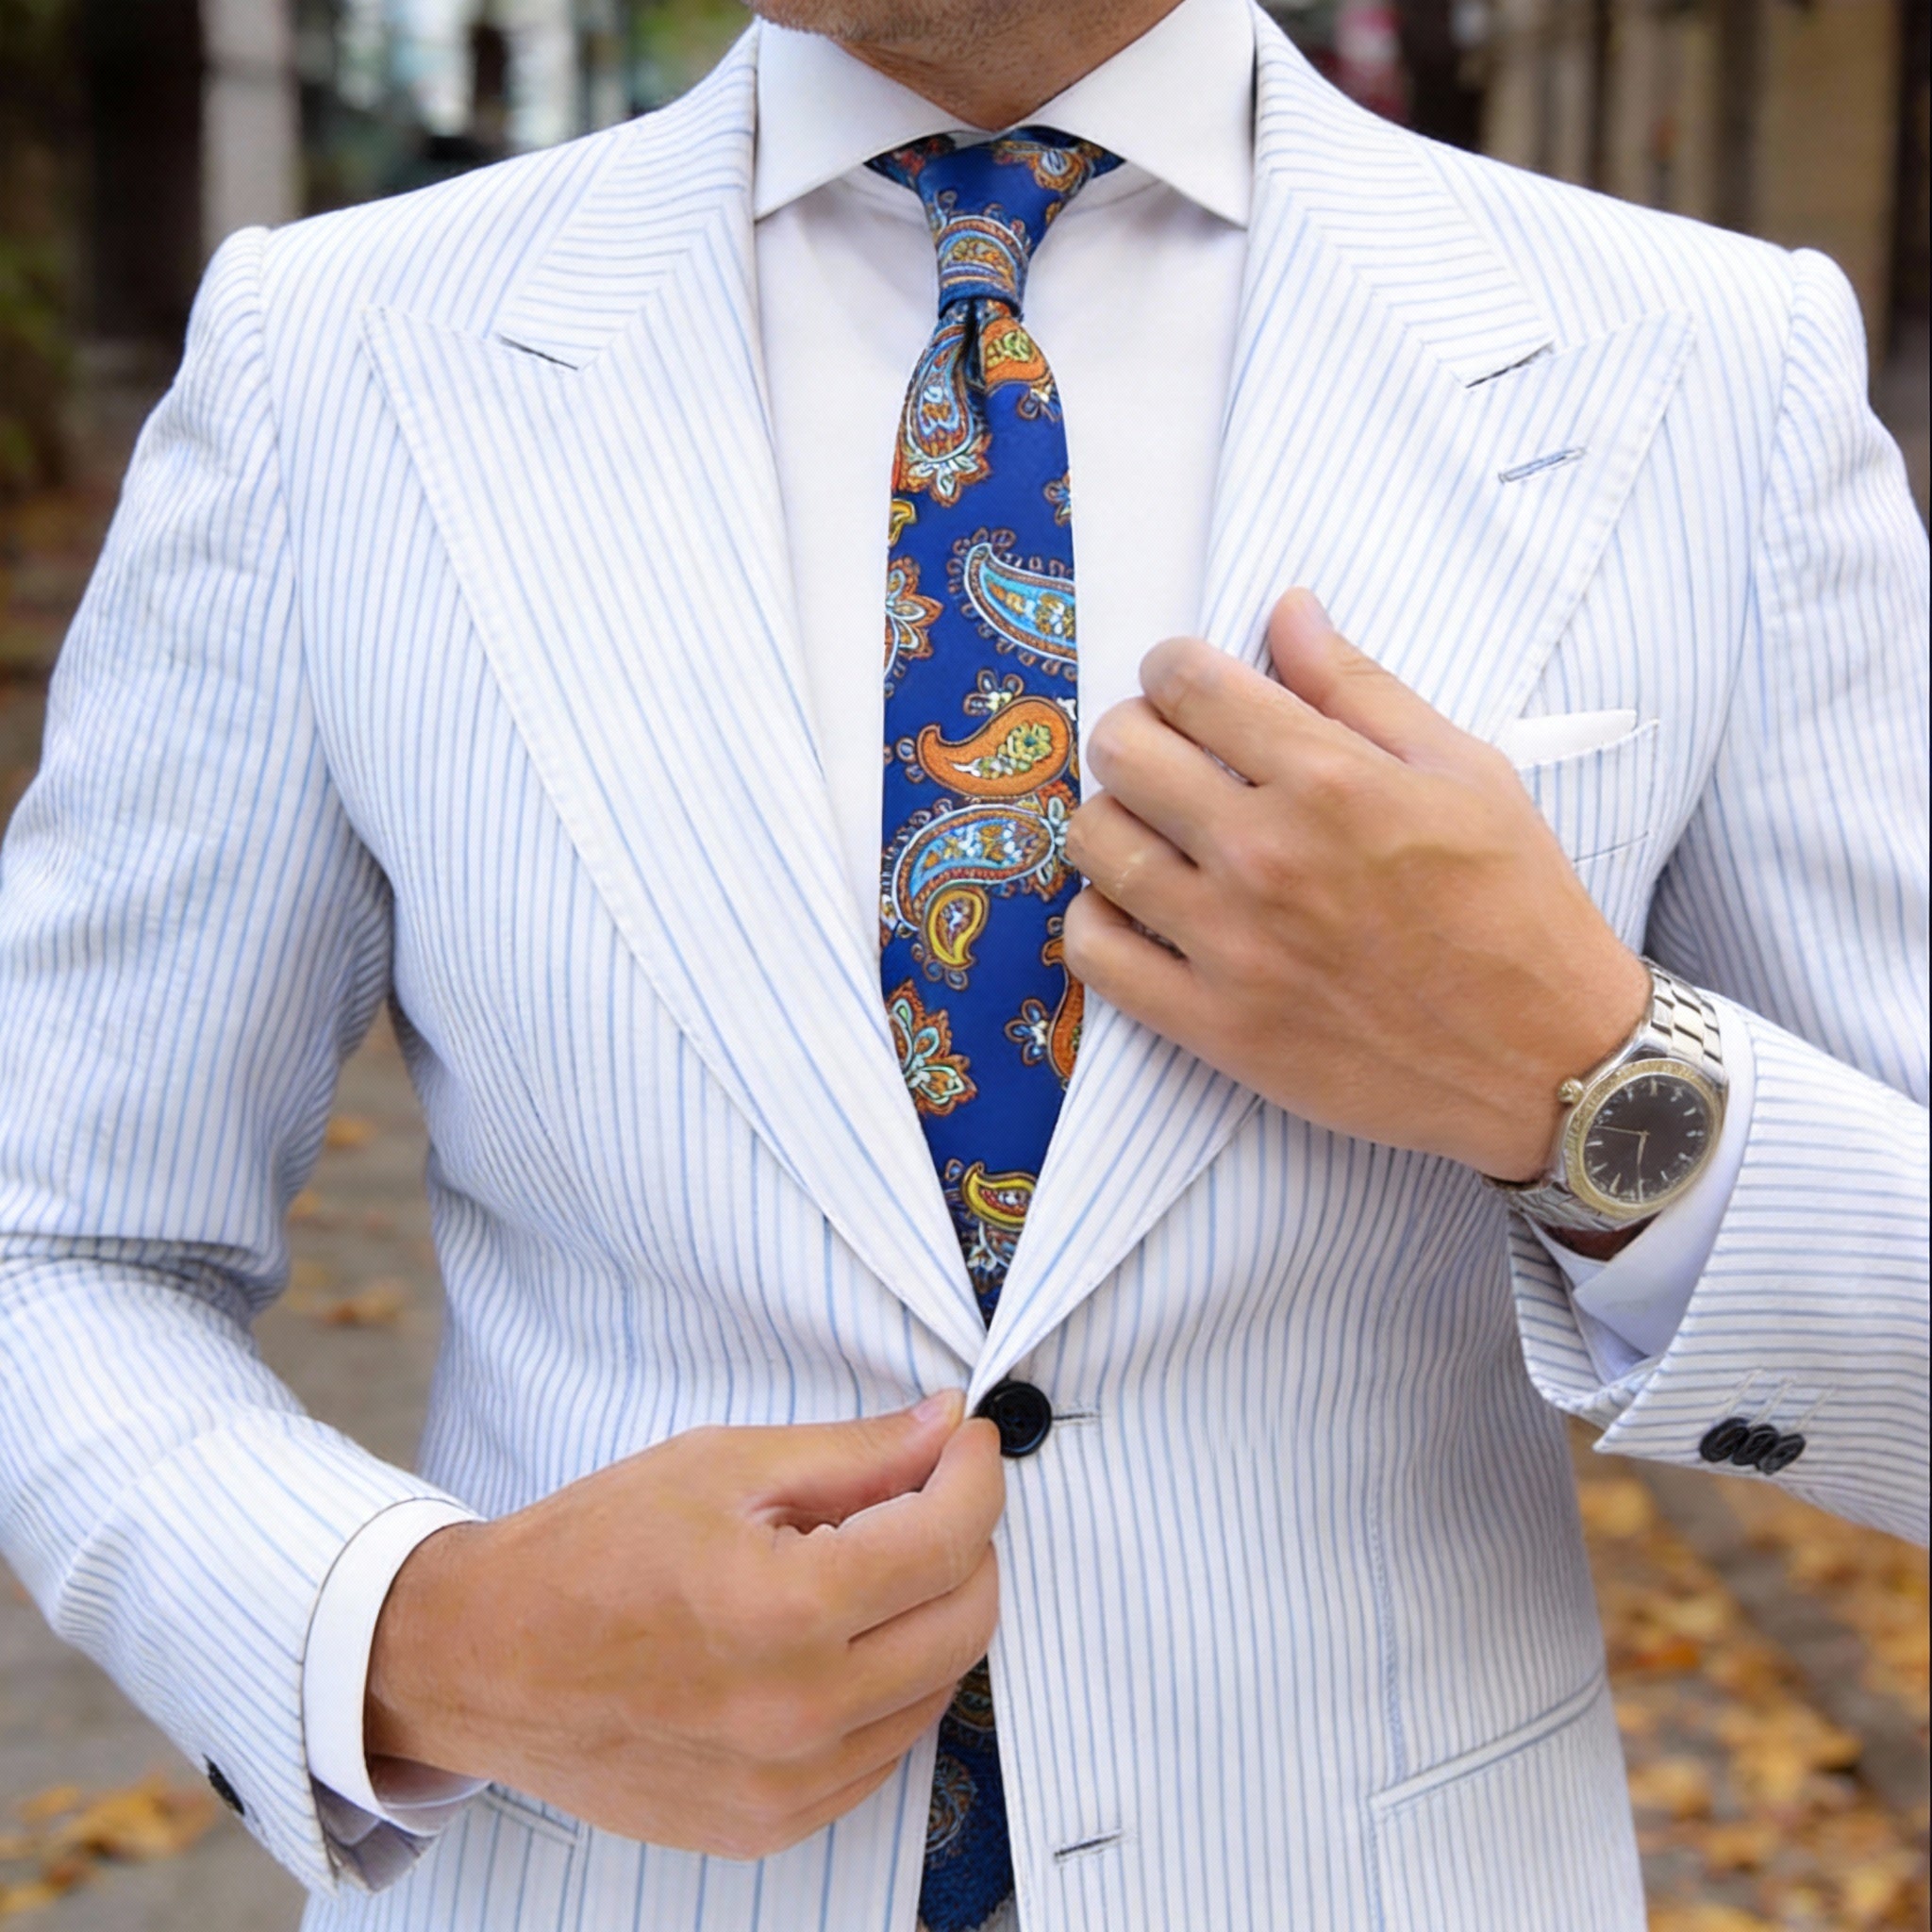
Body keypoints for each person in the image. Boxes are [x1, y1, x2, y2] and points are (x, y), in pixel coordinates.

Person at [0, 0, 1924, 1925]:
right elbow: (56, 1239)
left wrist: (1584, 1081)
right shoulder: (330, 361)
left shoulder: (1704, 373)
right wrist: (415, 1635)